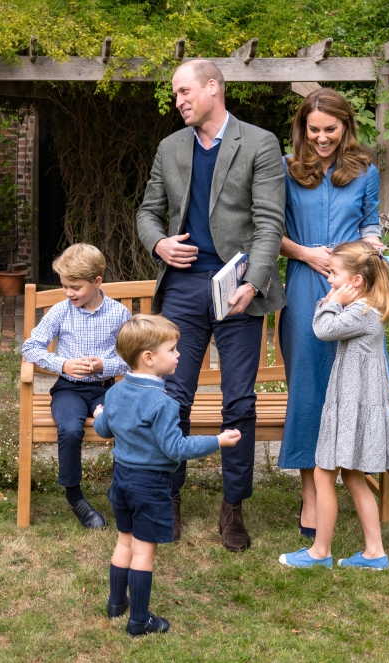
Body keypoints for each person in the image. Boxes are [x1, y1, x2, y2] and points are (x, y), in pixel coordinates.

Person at [137, 59, 286, 551]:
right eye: (176, 94)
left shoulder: (259, 143)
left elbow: (268, 224)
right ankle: (169, 499)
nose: (178, 101)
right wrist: (159, 244)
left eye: (184, 91)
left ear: (213, 88)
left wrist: (256, 282)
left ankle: (233, 507)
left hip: (238, 289)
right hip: (182, 288)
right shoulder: (169, 147)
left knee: (238, 401)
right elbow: (146, 212)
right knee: (172, 399)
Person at [277, 88, 389, 551]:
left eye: (331, 129)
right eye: (314, 129)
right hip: (306, 285)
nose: (322, 138)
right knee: (310, 385)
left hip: (355, 287)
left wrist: (370, 245)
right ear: (303, 127)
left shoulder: (363, 170)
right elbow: (271, 230)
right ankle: (310, 494)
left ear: (346, 127)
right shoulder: (285, 169)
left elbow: (370, 222)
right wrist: (307, 253)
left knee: (378, 385)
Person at [93, 314, 240, 636]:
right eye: (172, 349)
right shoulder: (163, 403)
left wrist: (98, 413)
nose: (178, 355)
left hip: (121, 480)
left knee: (124, 541)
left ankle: (116, 604)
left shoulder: (116, 392)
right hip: (150, 485)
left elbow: (104, 429)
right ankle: (139, 621)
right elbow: (175, 448)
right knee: (143, 552)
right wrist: (217, 440)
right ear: (149, 358)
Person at [279, 241, 389, 570]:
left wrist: (332, 299)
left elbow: (321, 329)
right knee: (352, 476)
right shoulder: (366, 309)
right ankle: (374, 552)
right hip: (354, 403)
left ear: (357, 282)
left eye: (335, 274)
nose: (330, 280)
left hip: (352, 408)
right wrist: (336, 295)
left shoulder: (360, 312)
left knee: (323, 474)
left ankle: (320, 552)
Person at [21, 243, 131, 528]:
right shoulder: (60, 311)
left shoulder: (118, 314)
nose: (69, 293)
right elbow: (30, 348)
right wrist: (62, 364)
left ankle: (119, 491)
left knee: (123, 424)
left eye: (75, 287)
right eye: (64, 286)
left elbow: (131, 358)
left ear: (97, 281)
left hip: (107, 389)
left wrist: (103, 365)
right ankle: (75, 497)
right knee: (69, 429)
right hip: (69, 389)